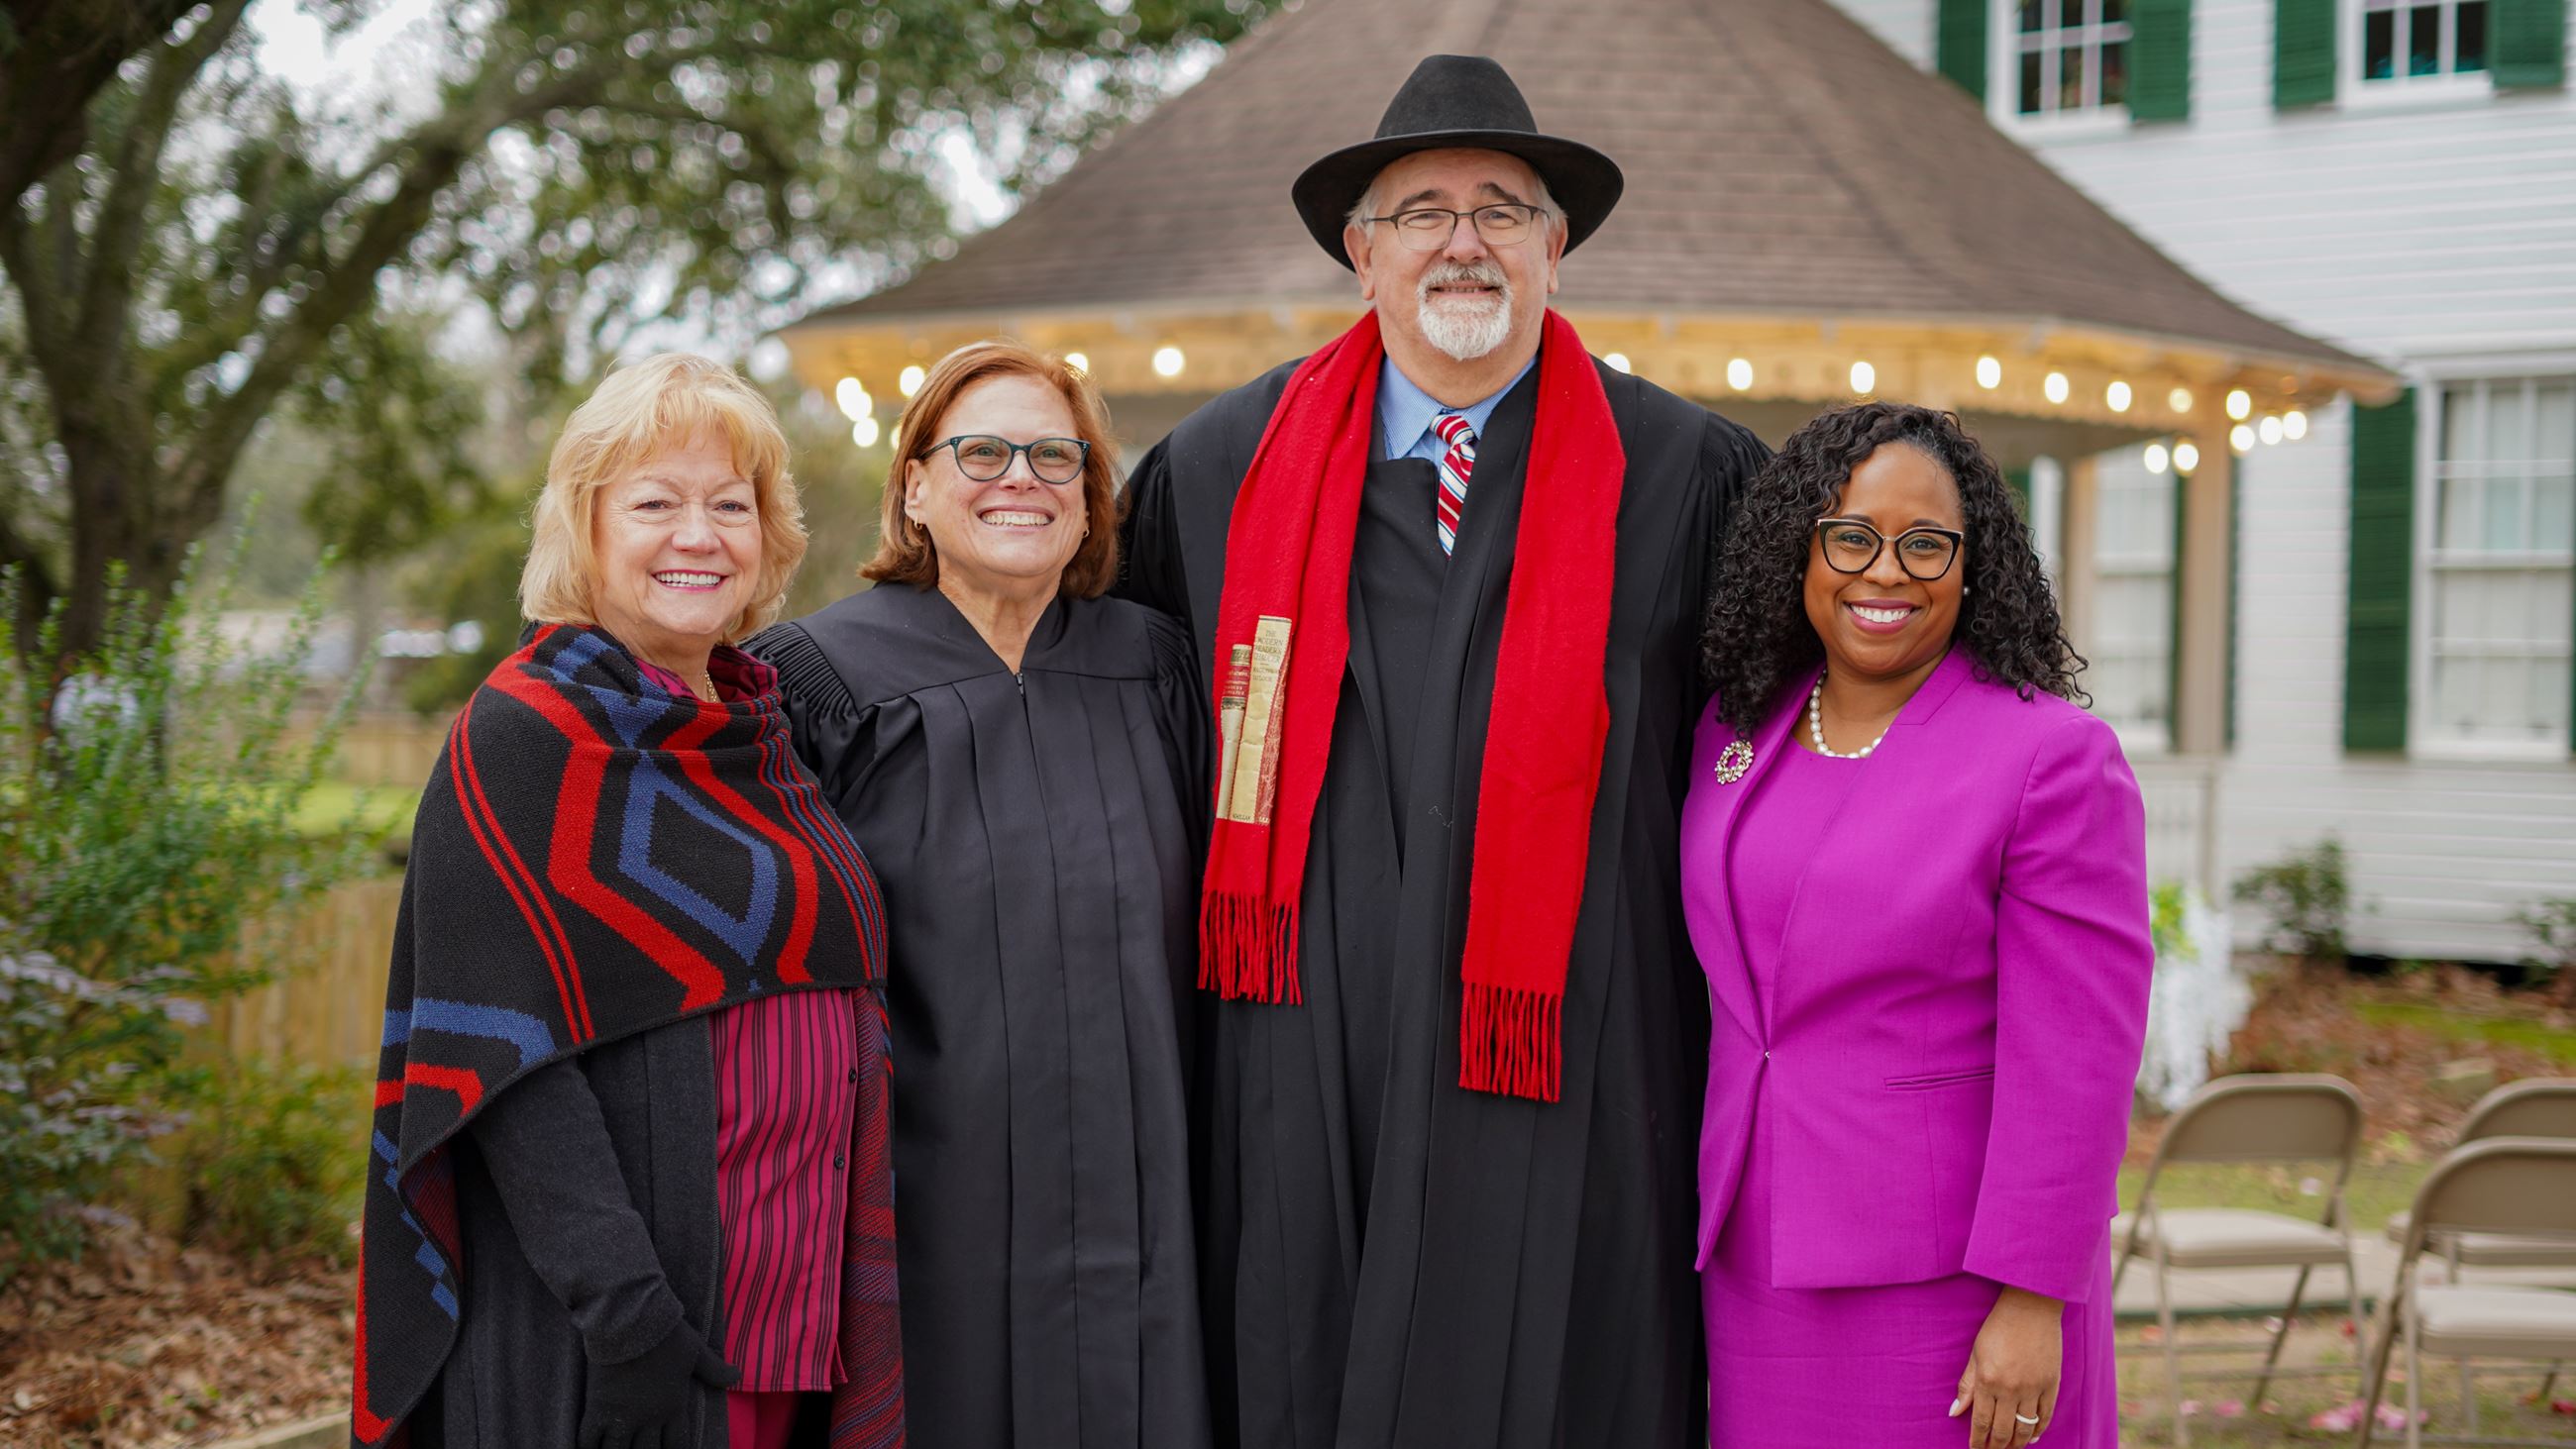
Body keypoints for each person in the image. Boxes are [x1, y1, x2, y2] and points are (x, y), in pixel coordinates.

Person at [1117, 53, 1770, 1449]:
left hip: (1577, 1040)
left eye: (1499, 208)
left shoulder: (1684, 472)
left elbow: (1780, 746)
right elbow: (1114, 721)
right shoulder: (1221, 466)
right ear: (1362, 254)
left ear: (1557, 245)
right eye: (1418, 210)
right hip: (1298, 1034)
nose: (1460, 241)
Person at [353, 354, 905, 1449]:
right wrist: (627, 1318)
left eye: (729, 505)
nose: (697, 535)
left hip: (788, 1316)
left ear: (767, 537)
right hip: (622, 1338)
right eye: (654, 502)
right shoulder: (524, 734)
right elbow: (500, 1064)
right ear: (586, 530)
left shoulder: (769, 733)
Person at [750, 341, 1210, 1449]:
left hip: (1140, 1199)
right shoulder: (808, 680)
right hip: (917, 1196)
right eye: (983, 450)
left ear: (1092, 495)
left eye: (1057, 455)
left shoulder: (1154, 668)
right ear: (914, 484)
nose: (1022, 477)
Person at [1681, 402, 2152, 1449]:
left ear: (1970, 562)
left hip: (1947, 1273)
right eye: (1849, 537)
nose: (1883, 573)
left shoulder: (2048, 756)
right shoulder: (1735, 725)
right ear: (1795, 552)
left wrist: (2033, 1296)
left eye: (1923, 544)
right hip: (1749, 1245)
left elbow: (2076, 1058)